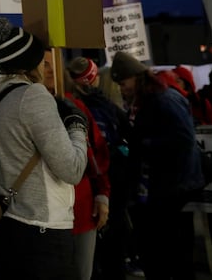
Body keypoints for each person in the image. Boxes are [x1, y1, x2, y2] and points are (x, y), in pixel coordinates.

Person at [0, 18, 88, 280]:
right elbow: (72, 169)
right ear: (30, 62)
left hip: (4, 221)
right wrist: (78, 127)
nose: (46, 66)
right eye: (42, 61)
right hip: (41, 227)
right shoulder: (33, 96)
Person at [110, 51, 204, 280]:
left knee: (172, 250)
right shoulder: (149, 99)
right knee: (164, 251)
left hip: (173, 187)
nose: (122, 89)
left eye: (123, 83)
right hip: (161, 187)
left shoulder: (163, 99)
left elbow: (183, 138)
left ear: (137, 77)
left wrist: (143, 144)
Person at [42, 51, 110, 280]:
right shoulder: (27, 109)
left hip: (81, 209)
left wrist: (102, 195)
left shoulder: (75, 105)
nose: (49, 69)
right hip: (44, 215)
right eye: (43, 64)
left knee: (82, 273)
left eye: (53, 64)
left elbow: (97, 155)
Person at [67, 56, 131, 280]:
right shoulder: (102, 107)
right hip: (105, 185)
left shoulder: (74, 106)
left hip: (93, 190)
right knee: (110, 247)